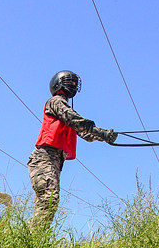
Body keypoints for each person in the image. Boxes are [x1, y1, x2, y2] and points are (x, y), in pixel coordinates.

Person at [27, 70, 117, 230]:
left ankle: (29, 238)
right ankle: (29, 238)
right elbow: (74, 120)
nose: (73, 86)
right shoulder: (55, 102)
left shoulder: (66, 111)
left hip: (53, 161)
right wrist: (100, 132)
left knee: (48, 203)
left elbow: (84, 133)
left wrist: (104, 136)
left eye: (75, 84)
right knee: (49, 201)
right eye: (70, 82)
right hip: (44, 158)